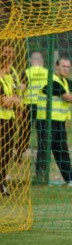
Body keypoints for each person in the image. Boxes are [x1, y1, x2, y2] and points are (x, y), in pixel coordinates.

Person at [35, 58, 72, 187]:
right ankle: (41, 178)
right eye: (63, 66)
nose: (66, 69)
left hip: (58, 121)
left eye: (68, 67)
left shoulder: (64, 81)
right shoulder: (52, 81)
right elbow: (67, 97)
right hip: (46, 121)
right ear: (56, 66)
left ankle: (71, 179)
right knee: (44, 150)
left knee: (62, 150)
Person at [18, 52, 48, 160]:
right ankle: (42, 155)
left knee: (25, 131)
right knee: (42, 131)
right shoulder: (47, 73)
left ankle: (19, 153)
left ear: (31, 61)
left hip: (28, 104)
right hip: (42, 105)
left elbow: (21, 88)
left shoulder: (27, 72)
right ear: (42, 61)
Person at [1, 61, 21, 195]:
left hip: (9, 120)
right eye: (6, 67)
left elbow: (17, 99)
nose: (9, 69)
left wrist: (14, 100)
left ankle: (2, 182)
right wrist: (14, 100)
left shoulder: (8, 80)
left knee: (7, 153)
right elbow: (6, 103)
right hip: (1, 120)